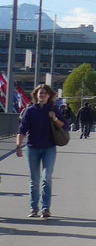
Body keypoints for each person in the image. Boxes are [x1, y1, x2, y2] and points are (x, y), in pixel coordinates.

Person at [15, 84, 66, 218]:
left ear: (49, 95)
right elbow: (22, 130)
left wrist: (54, 118)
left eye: (44, 93)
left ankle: (45, 208)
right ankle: (33, 208)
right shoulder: (30, 110)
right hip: (32, 148)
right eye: (40, 93)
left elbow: (64, 125)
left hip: (49, 147)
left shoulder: (53, 109)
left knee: (46, 177)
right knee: (34, 180)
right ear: (36, 95)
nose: (42, 95)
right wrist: (18, 146)